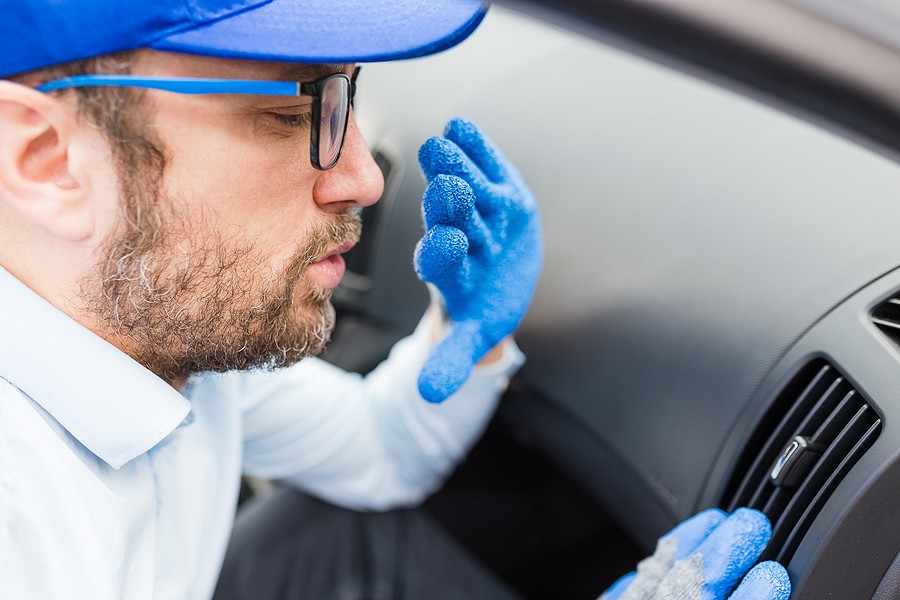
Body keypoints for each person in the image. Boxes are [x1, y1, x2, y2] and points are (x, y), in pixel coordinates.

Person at [0, 1, 790, 598]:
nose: (365, 180)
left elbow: (379, 453)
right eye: (290, 110)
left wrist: (470, 333)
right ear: (46, 160)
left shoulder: (156, 329)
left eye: (345, 95)